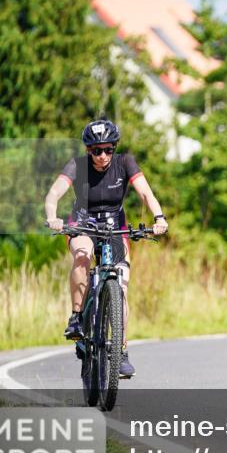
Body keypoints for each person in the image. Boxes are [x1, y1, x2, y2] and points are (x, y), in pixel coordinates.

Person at [44, 119, 168, 378]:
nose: (102, 156)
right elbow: (54, 193)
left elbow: (145, 193)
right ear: (88, 150)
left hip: (115, 225)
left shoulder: (125, 163)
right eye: (96, 150)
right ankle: (77, 317)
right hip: (83, 222)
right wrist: (52, 216)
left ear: (114, 148)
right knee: (82, 257)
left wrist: (159, 217)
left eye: (108, 149)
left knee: (121, 287)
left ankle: (121, 352)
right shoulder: (77, 166)